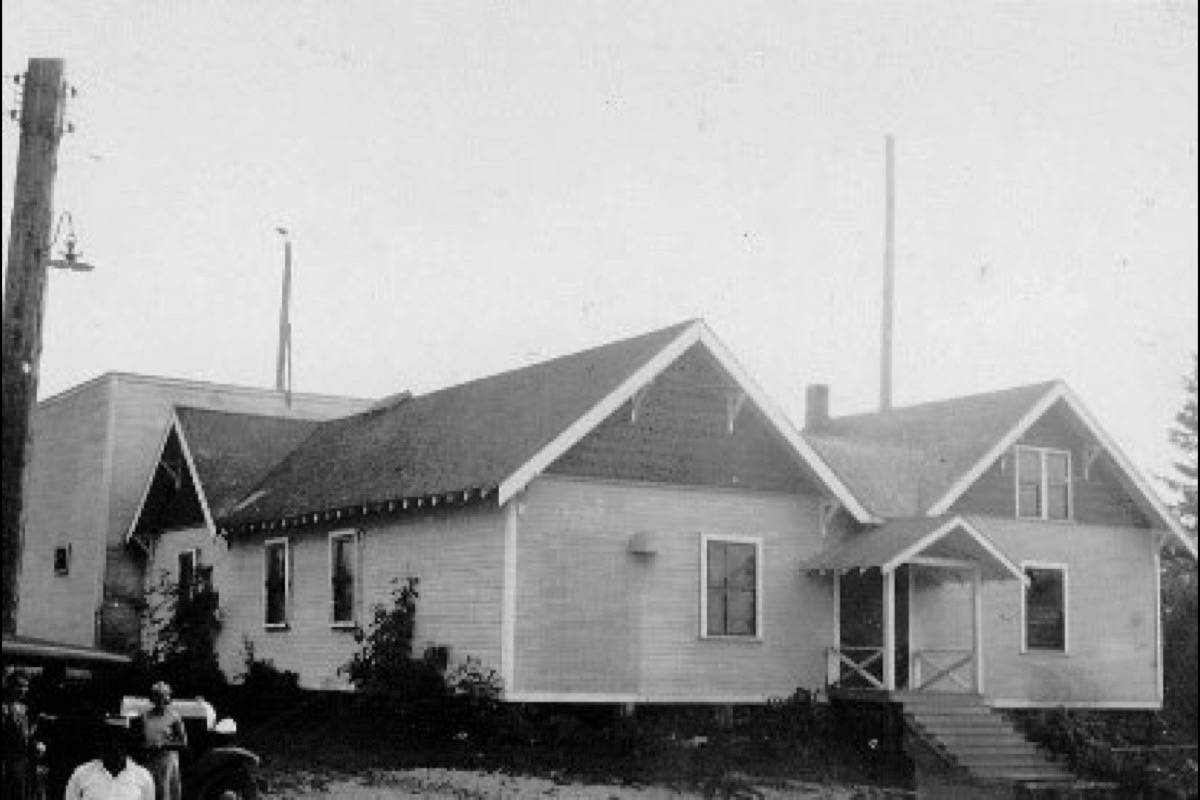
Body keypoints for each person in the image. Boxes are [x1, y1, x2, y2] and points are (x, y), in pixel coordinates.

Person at [64, 718, 154, 800]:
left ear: (127, 743)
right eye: (109, 740)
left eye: (120, 740)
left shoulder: (143, 777)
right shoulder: (81, 774)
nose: (114, 746)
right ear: (101, 743)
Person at [137, 682, 186, 800]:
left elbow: (183, 743)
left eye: (163, 697)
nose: (160, 701)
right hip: (149, 760)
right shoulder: (145, 716)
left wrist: (163, 745)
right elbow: (140, 738)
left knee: (164, 793)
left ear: (167, 698)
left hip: (166, 761)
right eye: (156, 696)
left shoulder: (174, 717)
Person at [2, 672, 39, 800]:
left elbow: (26, 734)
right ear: (10, 686)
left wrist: (34, 742)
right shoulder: (5, 707)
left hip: (23, 760)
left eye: (26, 686)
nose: (23, 690)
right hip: (8, 760)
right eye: (20, 686)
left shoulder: (24, 708)